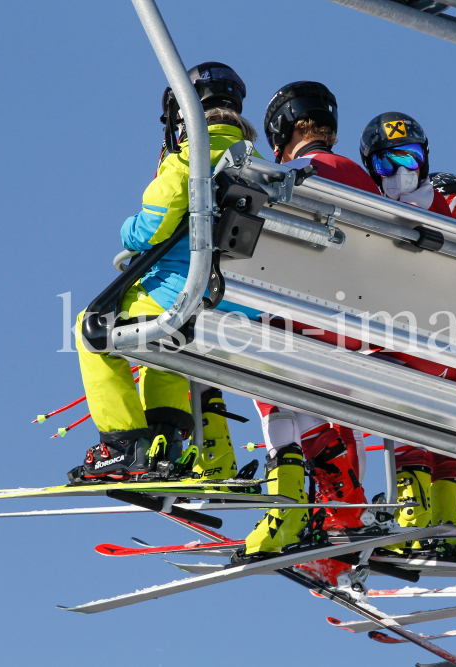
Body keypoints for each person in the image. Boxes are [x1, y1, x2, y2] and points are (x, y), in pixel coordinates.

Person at [69, 62, 255, 485]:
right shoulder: (265, 168)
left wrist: (127, 230)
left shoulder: (192, 155)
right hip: (246, 310)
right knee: (160, 342)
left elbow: (150, 228)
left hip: (191, 296)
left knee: (90, 327)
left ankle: (123, 445)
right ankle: (165, 442)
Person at [239, 82, 380, 561]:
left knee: (253, 366)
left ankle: (291, 500)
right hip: (364, 330)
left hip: (306, 322)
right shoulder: (365, 180)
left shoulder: (292, 174)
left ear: (283, 127)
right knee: (299, 386)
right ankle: (341, 504)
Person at [358, 119, 456, 551]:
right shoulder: (420, 203)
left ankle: (412, 504)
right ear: (373, 165)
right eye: (388, 161)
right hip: (436, 343)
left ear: (426, 160)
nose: (401, 171)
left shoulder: (420, 208)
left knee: (391, 394)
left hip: (416, 337)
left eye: (411, 158)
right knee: (437, 420)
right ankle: (446, 512)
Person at [359, 112, 452, 216]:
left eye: (409, 160)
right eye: (386, 165)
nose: (401, 171)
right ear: (373, 170)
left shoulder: (437, 206)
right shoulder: (365, 207)